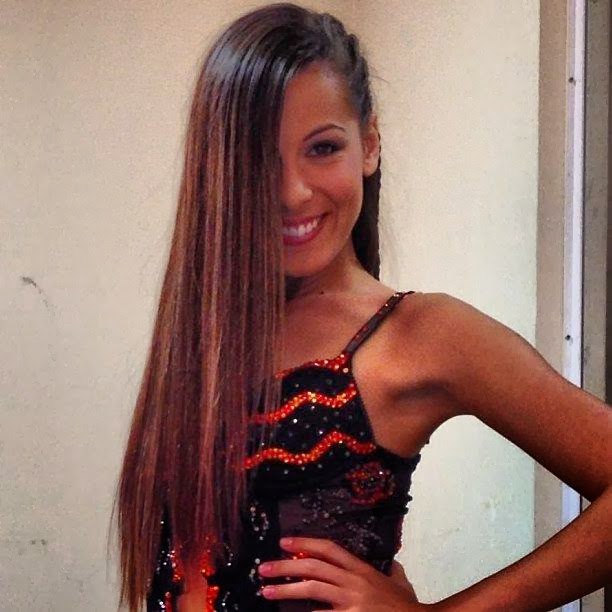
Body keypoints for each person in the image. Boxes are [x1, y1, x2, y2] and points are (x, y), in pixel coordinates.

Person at [111, 3, 612, 611]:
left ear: (368, 145)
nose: (293, 191)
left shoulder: (420, 334)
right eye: (256, 157)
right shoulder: (206, 330)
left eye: (323, 148)